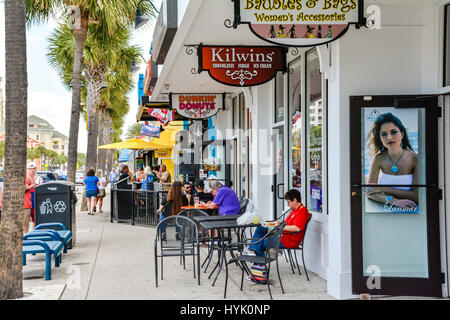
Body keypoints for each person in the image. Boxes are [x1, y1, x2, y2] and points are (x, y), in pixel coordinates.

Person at [366, 112, 418, 209]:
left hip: (411, 212)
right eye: (384, 134)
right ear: (380, 138)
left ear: (402, 134)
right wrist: (394, 201)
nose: (389, 137)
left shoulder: (415, 159)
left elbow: (417, 196)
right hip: (385, 209)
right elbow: (369, 191)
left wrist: (382, 189)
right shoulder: (379, 159)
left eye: (393, 132)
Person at [244, 189, 310, 257]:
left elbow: (297, 228)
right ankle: (252, 251)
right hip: (282, 234)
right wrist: (278, 224)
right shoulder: (295, 210)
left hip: (289, 241)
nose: (288, 204)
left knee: (261, 243)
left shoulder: (302, 212)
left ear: (295, 200)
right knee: (261, 228)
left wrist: (280, 227)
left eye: (289, 202)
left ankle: (257, 261)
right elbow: (287, 223)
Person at [29, 162, 43, 229]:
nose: (32, 170)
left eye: (33, 168)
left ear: (35, 169)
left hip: (35, 201)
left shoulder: (39, 178)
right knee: (27, 219)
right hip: (28, 201)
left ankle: (34, 231)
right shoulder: (26, 178)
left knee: (34, 219)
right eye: (30, 168)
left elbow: (41, 191)